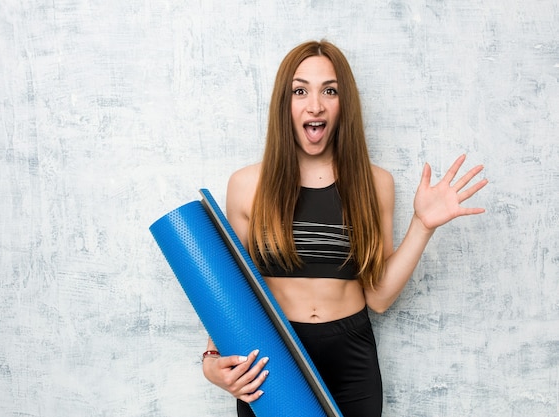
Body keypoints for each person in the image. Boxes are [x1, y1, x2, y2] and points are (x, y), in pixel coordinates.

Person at [201, 40, 488, 417]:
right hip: (272, 355)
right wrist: (211, 359)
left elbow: (379, 297)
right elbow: (229, 288)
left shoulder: (375, 183)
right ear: (283, 104)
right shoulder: (246, 185)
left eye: (329, 91)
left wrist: (422, 226)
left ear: (343, 104)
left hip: (352, 358)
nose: (315, 105)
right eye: (300, 90)